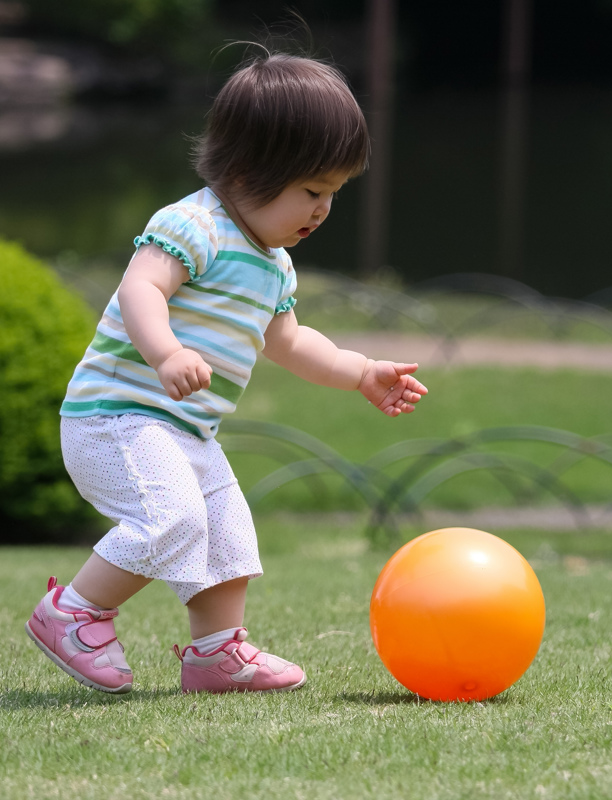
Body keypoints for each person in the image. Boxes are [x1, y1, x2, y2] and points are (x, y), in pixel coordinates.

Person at [25, 51, 427, 695]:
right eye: (312, 190)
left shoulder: (274, 264)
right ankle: (73, 613)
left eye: (333, 193)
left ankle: (215, 653)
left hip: (186, 434)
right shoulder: (194, 224)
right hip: (118, 419)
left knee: (227, 531)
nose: (323, 210)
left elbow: (291, 341)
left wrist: (360, 372)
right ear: (248, 170)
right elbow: (141, 290)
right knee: (174, 520)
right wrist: (166, 353)